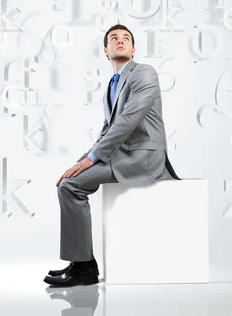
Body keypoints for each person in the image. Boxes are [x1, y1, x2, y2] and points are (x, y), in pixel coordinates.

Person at [43, 24, 179, 287]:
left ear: (133, 49)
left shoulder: (145, 73)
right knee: (70, 180)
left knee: (71, 186)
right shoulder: (112, 85)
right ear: (105, 51)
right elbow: (107, 130)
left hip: (142, 158)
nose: (120, 41)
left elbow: (127, 121)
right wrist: (82, 160)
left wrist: (92, 159)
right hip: (120, 154)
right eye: (113, 39)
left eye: (126, 38)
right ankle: (82, 263)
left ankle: (83, 267)